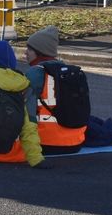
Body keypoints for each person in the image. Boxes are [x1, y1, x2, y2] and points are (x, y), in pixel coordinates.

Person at [23, 26, 88, 154]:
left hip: (46, 143)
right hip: (76, 143)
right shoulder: (69, 73)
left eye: (29, 49)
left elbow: (25, 110)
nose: (25, 53)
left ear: (40, 52)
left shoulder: (35, 74)